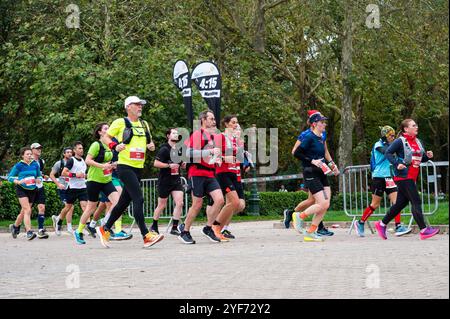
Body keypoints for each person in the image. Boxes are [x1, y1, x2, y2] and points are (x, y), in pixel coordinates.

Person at [98, 96, 163, 248]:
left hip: (138, 167)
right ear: (128, 107)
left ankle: (105, 228)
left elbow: (148, 141)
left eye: (141, 105)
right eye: (137, 104)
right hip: (125, 166)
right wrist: (115, 146)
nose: (140, 107)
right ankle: (146, 235)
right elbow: (105, 138)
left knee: (122, 203)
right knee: (138, 199)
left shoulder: (144, 124)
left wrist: (151, 145)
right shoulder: (120, 122)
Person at [374, 119, 439, 240]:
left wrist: (427, 156)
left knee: (400, 204)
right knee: (416, 201)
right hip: (403, 176)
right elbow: (388, 153)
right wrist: (396, 164)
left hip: (411, 177)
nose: (416, 127)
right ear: (406, 129)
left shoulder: (418, 142)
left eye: (416, 125)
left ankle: (381, 224)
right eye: (413, 125)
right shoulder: (400, 141)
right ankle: (424, 230)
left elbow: (419, 159)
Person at [283, 110, 334, 236]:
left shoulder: (322, 136)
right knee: (320, 202)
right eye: (322, 122)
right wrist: (312, 161)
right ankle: (299, 216)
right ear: (314, 124)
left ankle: (312, 231)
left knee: (325, 204)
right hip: (311, 172)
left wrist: (332, 164)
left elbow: (325, 151)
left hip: (322, 172)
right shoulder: (307, 136)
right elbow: (296, 152)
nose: (325, 124)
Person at [354, 126, 412, 237]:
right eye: (391, 135)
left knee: (397, 202)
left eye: (394, 136)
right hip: (378, 177)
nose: (393, 137)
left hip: (389, 177)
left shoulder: (392, 145)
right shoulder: (378, 145)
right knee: (375, 204)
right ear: (385, 135)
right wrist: (396, 146)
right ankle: (360, 222)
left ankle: (398, 226)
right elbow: (386, 152)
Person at [177, 110, 225, 244]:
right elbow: (188, 153)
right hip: (197, 173)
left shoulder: (212, 137)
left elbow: (208, 155)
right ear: (203, 120)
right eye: (211, 119)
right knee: (197, 204)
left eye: (214, 119)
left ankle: (208, 228)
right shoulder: (198, 134)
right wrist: (209, 151)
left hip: (210, 173)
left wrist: (217, 159)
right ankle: (185, 231)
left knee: (220, 200)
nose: (214, 121)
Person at [73, 123, 120, 245]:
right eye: (106, 128)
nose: (109, 130)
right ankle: (78, 231)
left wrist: (112, 165)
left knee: (118, 202)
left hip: (106, 180)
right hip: (94, 180)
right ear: (100, 132)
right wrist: (102, 166)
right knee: (90, 208)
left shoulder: (110, 146)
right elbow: (88, 161)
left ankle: (105, 226)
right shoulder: (96, 145)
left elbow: (107, 162)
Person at [210, 115, 246, 240]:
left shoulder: (236, 140)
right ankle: (215, 226)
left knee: (238, 204)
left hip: (234, 173)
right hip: (223, 172)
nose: (236, 125)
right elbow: (213, 157)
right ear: (226, 124)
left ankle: (219, 228)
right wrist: (225, 158)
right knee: (234, 202)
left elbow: (240, 158)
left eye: (237, 122)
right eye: (233, 122)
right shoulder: (220, 137)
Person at [150, 128, 185, 236]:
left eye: (177, 133)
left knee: (180, 203)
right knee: (162, 205)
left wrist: (183, 164)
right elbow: (155, 163)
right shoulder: (164, 149)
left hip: (176, 180)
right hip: (164, 181)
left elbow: (181, 163)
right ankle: (154, 226)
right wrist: (169, 165)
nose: (176, 135)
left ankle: (174, 227)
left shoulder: (179, 149)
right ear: (168, 136)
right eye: (173, 133)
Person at [7, 147, 43, 240]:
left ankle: (15, 226)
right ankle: (29, 232)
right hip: (21, 189)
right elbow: (9, 177)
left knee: (23, 211)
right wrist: (18, 181)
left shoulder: (35, 164)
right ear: (22, 155)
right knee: (27, 210)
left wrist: (39, 179)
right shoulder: (19, 165)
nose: (29, 155)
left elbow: (39, 175)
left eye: (30, 154)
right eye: (27, 154)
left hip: (32, 189)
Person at [61, 142, 89, 232]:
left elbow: (83, 175)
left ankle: (87, 226)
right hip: (73, 187)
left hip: (82, 187)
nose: (82, 150)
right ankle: (59, 219)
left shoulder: (84, 161)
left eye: (82, 148)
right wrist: (75, 174)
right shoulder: (71, 160)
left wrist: (88, 176)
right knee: (68, 207)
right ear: (75, 150)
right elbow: (64, 173)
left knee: (85, 207)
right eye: (79, 148)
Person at [50, 147, 75, 235]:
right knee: (70, 207)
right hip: (62, 187)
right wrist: (58, 184)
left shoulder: (74, 162)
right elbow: (51, 175)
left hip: (71, 187)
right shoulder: (59, 163)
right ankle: (68, 227)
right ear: (64, 154)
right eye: (67, 152)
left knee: (70, 207)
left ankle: (58, 218)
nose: (69, 154)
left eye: (71, 152)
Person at [30, 143, 49, 239]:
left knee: (42, 207)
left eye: (40, 148)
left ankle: (40, 230)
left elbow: (39, 173)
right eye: (37, 149)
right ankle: (16, 226)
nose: (39, 150)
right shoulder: (28, 160)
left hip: (40, 187)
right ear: (32, 150)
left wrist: (43, 175)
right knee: (26, 210)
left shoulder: (42, 161)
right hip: (29, 188)